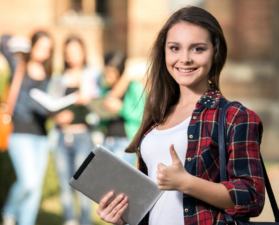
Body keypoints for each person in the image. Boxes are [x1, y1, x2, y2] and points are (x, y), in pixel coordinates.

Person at [96, 6, 265, 225]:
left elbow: (252, 196)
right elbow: (155, 204)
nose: (184, 59)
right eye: (175, 48)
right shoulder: (156, 116)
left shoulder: (235, 116)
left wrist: (186, 182)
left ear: (215, 53)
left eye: (198, 49)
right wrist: (122, 218)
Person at [0, 31, 53, 225]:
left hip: (41, 135)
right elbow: (2, 42)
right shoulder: (18, 66)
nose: (44, 53)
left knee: (36, 188)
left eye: (48, 50)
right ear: (32, 46)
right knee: (28, 181)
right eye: (41, 47)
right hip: (19, 132)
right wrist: (17, 39)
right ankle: (9, 210)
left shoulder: (48, 75)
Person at [50, 36, 100, 225]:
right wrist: (57, 116)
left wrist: (89, 98)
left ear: (83, 52)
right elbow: (51, 105)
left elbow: (101, 99)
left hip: (84, 136)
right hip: (61, 136)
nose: (72, 56)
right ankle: (69, 220)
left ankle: (85, 221)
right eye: (68, 52)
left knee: (83, 185)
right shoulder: (58, 78)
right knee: (65, 185)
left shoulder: (93, 75)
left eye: (76, 51)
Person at [100, 51, 145, 166]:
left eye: (112, 72)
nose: (108, 76)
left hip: (125, 141)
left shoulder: (133, 86)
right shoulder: (107, 88)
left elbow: (143, 115)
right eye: (106, 72)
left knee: (120, 181)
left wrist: (121, 108)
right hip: (108, 140)